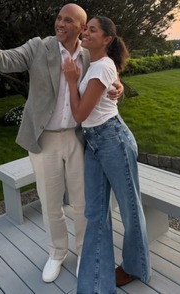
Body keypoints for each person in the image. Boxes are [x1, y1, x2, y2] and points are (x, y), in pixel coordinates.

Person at [0, 3, 122, 283]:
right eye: (58, 18)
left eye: (68, 21)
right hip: (45, 140)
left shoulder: (89, 55)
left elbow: (106, 79)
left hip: (78, 138)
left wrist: (117, 88)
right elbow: (4, 60)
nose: (60, 24)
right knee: (50, 203)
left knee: (82, 202)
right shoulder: (39, 47)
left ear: (81, 28)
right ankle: (56, 252)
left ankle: (83, 253)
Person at [62, 16, 150, 293]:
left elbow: (79, 114)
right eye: (85, 29)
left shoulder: (101, 66)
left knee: (129, 208)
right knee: (94, 212)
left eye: (92, 30)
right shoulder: (96, 63)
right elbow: (110, 80)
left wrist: (70, 80)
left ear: (107, 40)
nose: (85, 33)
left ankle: (135, 267)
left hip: (113, 141)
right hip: (94, 144)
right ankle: (96, 282)